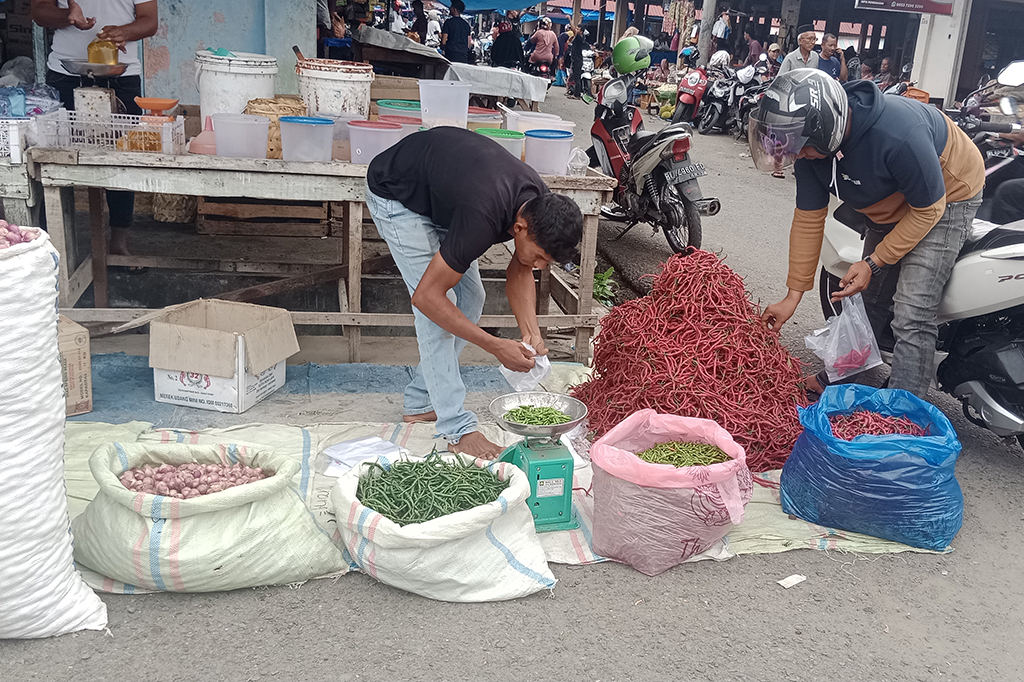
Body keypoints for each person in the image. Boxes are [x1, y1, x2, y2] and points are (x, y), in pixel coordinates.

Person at [750, 70, 984, 399]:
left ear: (825, 133)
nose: (798, 157)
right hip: (889, 200)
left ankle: (903, 408)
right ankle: (842, 377)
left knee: (912, 309)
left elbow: (928, 210)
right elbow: (808, 220)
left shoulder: (897, 135)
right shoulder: (809, 150)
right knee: (865, 300)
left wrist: (874, 261)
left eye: (802, 150)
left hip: (945, 195)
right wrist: (793, 296)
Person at [365, 128, 584, 458]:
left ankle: (421, 401)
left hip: (445, 195)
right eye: (540, 256)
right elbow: (426, 298)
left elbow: (521, 269)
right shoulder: (483, 215)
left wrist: (531, 333)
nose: (540, 266)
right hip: (397, 192)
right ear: (519, 228)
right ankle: (457, 428)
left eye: (547, 262)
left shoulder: (539, 205)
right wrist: (495, 346)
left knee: (473, 298)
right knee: (437, 311)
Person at [33, 0, 157, 257]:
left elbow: (150, 21)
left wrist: (124, 31)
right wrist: (67, 15)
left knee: (122, 159)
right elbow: (38, 11)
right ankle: (52, 243)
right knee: (56, 156)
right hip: (65, 73)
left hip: (121, 76)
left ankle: (118, 241)